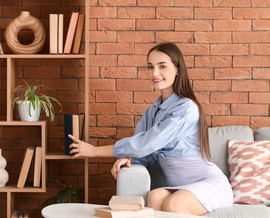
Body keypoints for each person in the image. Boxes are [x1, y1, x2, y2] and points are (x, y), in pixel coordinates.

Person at [68, 43, 233, 215]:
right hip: (180, 186)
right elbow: (146, 151)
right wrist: (130, 157)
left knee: (174, 205)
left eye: (162, 66)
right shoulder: (151, 112)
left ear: (177, 69)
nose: (155, 73)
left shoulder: (186, 108)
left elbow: (147, 143)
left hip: (208, 183)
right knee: (154, 197)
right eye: (150, 67)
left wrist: (94, 151)